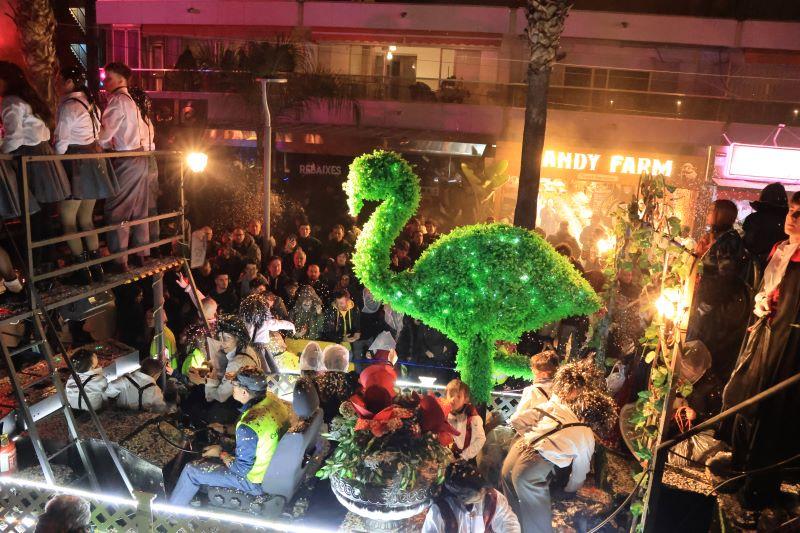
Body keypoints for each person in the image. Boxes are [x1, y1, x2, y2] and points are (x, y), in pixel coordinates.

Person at [719, 191, 800, 510]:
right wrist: (762, 301)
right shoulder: (780, 248)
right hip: (764, 332)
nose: (792, 218)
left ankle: (758, 485)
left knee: (771, 409)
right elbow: (768, 286)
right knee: (747, 396)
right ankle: (739, 467)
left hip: (788, 344)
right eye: (792, 211)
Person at [501, 360, 615, 533]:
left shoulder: (558, 406)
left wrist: (530, 436)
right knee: (536, 512)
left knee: (509, 483)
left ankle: (513, 527)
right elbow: (580, 473)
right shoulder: (587, 435)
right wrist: (570, 490)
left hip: (520, 446)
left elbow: (517, 419)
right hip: (533, 464)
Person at [169, 367, 291, 506]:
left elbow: (241, 469)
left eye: (235, 385)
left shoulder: (248, 426)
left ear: (244, 392)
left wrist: (220, 453)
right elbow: (257, 433)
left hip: (253, 481)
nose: (232, 387)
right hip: (270, 466)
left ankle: (171, 512)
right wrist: (225, 429)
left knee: (191, 471)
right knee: (221, 442)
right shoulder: (272, 400)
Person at [54, 65, 117, 284]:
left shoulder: (68, 106)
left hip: (75, 163)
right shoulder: (91, 104)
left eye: (59, 80)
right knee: (86, 219)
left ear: (69, 82)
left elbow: (61, 143)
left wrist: (53, 162)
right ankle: (96, 269)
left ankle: (83, 272)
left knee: (68, 221)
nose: (56, 84)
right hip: (92, 162)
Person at [0, 61, 71, 240]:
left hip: (28, 158)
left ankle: (36, 254)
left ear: (5, 80)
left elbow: (14, 137)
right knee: (44, 213)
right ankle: (47, 253)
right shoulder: (29, 100)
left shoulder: (10, 102)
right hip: (43, 154)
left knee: (32, 213)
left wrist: (2, 152)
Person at [687, 199, 750, 380]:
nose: (708, 213)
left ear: (721, 214)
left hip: (715, 308)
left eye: (712, 210)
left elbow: (725, 278)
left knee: (702, 346)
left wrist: (707, 304)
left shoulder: (729, 241)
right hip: (705, 299)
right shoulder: (719, 238)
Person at [98, 62, 149, 272]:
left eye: (108, 78)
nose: (105, 82)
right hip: (139, 156)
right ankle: (141, 254)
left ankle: (119, 261)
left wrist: (97, 143)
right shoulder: (130, 101)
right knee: (138, 207)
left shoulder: (118, 101)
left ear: (120, 80)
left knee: (116, 209)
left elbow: (104, 134)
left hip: (127, 158)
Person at [423, 461, 520, 533]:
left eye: (483, 489)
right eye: (478, 495)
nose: (484, 493)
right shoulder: (439, 511)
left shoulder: (491, 496)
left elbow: (507, 520)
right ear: (463, 499)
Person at [187, 314, 262, 405]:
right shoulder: (247, 348)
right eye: (220, 338)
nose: (222, 343)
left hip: (238, 406)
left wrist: (201, 381)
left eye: (227, 338)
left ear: (237, 337)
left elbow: (220, 396)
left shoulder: (237, 362)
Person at [128, 86, 160, 256]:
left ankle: (141, 247)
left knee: (138, 207)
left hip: (140, 160)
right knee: (151, 206)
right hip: (151, 160)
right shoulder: (147, 119)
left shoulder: (136, 119)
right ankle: (154, 244)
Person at [742, 182, 788, 275]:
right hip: (781, 268)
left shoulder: (754, 218)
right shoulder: (788, 220)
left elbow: (747, 243)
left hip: (753, 270)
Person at [509, 350, 559, 435]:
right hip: (556, 434)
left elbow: (517, 418)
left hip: (537, 436)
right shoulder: (560, 389)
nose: (532, 371)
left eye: (534, 369)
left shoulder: (532, 391)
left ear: (544, 374)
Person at [313, 343, 358, 423]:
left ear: (325, 362)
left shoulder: (316, 381)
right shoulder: (352, 378)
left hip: (323, 423)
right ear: (345, 362)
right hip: (348, 424)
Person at [445, 379, 486, 462]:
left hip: (464, 460)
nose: (453, 399)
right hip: (445, 458)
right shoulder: (444, 414)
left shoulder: (473, 418)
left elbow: (480, 439)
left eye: (458, 396)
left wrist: (464, 456)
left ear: (466, 399)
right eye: (451, 395)